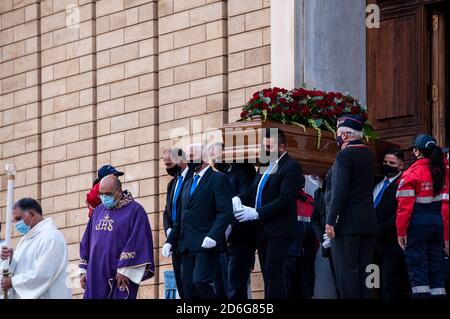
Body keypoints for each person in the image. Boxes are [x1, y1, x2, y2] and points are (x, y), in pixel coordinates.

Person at [233, 128, 303, 299]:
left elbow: (285, 199)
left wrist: (257, 213)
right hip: (262, 230)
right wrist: (237, 198)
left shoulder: (291, 166)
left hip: (279, 230)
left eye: (269, 146)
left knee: (274, 274)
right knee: (267, 274)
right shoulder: (265, 165)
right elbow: (252, 191)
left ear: (281, 147)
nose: (265, 150)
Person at [162, 143, 234, 299]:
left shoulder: (217, 178)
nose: (190, 160)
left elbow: (225, 212)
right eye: (188, 158)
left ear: (204, 158)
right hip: (187, 245)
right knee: (187, 287)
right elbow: (181, 218)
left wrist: (214, 235)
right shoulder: (187, 184)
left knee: (200, 281)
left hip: (206, 243)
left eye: (193, 156)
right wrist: (170, 241)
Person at [325, 115, 379, 299]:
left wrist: (332, 220)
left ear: (346, 135)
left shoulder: (344, 155)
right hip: (368, 223)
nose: (337, 137)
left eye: (338, 133)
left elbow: (340, 192)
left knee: (347, 274)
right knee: (369, 271)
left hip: (347, 224)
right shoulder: (368, 155)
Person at [79, 175, 154, 299]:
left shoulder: (135, 211)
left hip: (119, 275)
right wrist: (83, 270)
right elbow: (86, 241)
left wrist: (125, 270)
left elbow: (138, 241)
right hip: (95, 274)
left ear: (119, 192)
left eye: (108, 194)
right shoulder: (97, 211)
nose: (104, 197)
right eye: (101, 194)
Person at [396, 134, 448, 298]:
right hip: (437, 223)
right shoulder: (442, 171)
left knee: (418, 268)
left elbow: (404, 208)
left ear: (417, 151)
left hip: (417, 224)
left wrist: (400, 232)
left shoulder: (412, 173)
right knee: (436, 266)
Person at [209, 142, 257, 299]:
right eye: (212, 159)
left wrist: (237, 199)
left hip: (241, 237)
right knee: (221, 287)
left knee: (235, 286)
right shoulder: (220, 176)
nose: (215, 162)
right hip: (223, 240)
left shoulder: (243, 168)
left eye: (216, 157)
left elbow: (247, 192)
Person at [1, 198, 71, 299]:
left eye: (19, 219)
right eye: (14, 221)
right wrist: (10, 260)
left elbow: (43, 273)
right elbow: (22, 268)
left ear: (32, 214)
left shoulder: (51, 237)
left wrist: (13, 282)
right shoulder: (25, 240)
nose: (16, 224)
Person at [373, 149, 410, 299]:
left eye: (392, 163)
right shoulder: (376, 182)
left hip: (391, 246)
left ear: (401, 166)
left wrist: (377, 229)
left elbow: (399, 214)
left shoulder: (403, 184)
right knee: (373, 284)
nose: (387, 165)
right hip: (373, 247)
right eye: (385, 162)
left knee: (389, 286)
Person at [162, 148, 192, 299]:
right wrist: (168, 230)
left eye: (169, 164)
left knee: (190, 284)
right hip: (175, 242)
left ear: (180, 161)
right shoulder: (172, 184)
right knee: (180, 284)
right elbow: (167, 212)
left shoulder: (193, 179)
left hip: (189, 239)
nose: (167, 168)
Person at [284, 175, 317, 299]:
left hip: (307, 254)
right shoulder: (285, 201)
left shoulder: (310, 200)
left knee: (306, 290)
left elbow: (315, 224)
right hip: (289, 253)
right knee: (288, 290)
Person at [311, 172, 338, 299]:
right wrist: (323, 238)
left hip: (339, 239)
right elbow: (315, 218)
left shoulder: (337, 191)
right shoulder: (318, 193)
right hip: (326, 241)